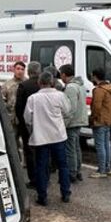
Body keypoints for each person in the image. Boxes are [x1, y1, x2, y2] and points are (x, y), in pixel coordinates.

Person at [24, 72, 71, 205]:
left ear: (39, 83)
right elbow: (67, 111)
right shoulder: (60, 96)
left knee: (41, 167)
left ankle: (42, 196)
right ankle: (65, 193)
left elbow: (27, 119)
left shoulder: (33, 98)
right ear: (52, 82)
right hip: (58, 136)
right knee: (63, 165)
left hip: (41, 137)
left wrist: (33, 130)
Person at [14, 61, 42, 187]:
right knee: (42, 151)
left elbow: (19, 107)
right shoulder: (44, 85)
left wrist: (22, 123)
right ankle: (44, 177)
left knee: (30, 152)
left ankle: (34, 179)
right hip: (42, 123)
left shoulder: (24, 86)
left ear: (28, 71)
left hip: (27, 124)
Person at [59, 64, 87, 183]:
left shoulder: (70, 87)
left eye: (61, 74)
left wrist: (64, 123)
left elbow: (70, 108)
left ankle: (72, 172)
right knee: (76, 147)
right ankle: (78, 170)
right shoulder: (80, 85)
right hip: (80, 119)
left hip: (72, 121)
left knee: (70, 149)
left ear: (64, 74)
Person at [88, 68, 111, 178]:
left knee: (100, 146)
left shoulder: (99, 90)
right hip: (108, 120)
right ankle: (107, 168)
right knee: (107, 145)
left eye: (92, 75)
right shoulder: (110, 88)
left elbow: (96, 107)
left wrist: (92, 118)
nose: (91, 77)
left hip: (99, 121)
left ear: (95, 76)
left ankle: (101, 170)